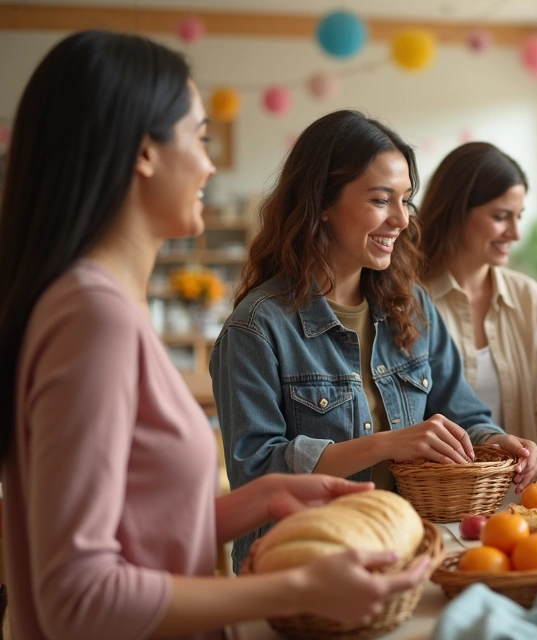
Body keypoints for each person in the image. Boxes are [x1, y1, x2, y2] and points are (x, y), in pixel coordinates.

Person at [0, 31, 431, 639]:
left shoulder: (95, 305)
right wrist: (297, 588)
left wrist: (257, 500)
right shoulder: (92, 318)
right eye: (200, 138)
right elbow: (77, 597)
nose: (210, 164)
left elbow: (132, 536)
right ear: (144, 153)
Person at [210, 110, 537, 574]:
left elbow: (462, 413)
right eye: (381, 200)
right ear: (321, 202)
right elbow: (256, 472)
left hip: (406, 553)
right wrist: (386, 444)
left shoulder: (414, 307)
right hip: (299, 569)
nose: (401, 219)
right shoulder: (256, 328)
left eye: (406, 201)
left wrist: (496, 439)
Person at [417, 142, 537, 487]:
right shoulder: (408, 300)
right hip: (436, 499)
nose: (515, 233)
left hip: (519, 501)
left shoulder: (526, 297)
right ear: (456, 211)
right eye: (500, 217)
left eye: (519, 216)